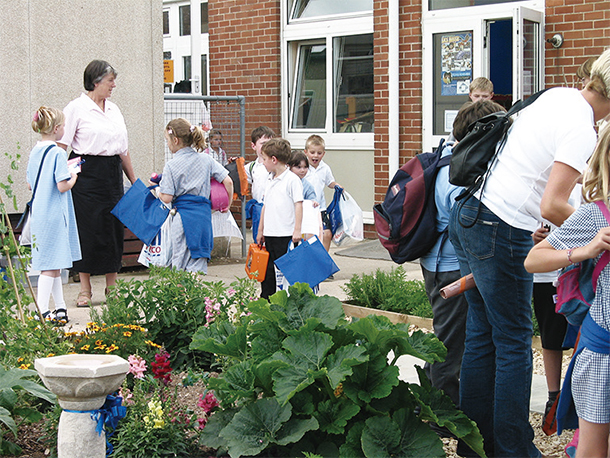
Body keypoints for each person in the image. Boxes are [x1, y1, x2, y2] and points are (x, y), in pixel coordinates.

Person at [449, 49, 610, 458]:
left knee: (482, 334)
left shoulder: (557, 95)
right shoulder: (582, 129)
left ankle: (473, 445)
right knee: (515, 339)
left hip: (470, 212)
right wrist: (598, 224)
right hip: (500, 228)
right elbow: (553, 206)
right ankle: (513, 448)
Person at [524, 124, 610, 458]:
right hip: (603, 354)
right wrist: (586, 250)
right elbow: (535, 259)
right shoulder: (596, 215)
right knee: (593, 449)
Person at [420, 100, 506, 414]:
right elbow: (466, 222)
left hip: (436, 261)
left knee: (450, 335)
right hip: (451, 267)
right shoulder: (458, 170)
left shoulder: (445, 157)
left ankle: (436, 401)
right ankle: (440, 414)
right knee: (449, 344)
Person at [58, 60, 137, 307]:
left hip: (112, 173)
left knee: (113, 229)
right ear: (95, 82)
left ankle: (112, 288)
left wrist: (134, 181)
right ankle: (85, 289)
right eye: (110, 80)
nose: (114, 85)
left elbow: (123, 149)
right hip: (86, 176)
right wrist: (59, 177)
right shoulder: (76, 108)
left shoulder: (114, 109)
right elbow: (62, 147)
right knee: (88, 229)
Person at [158, 118, 233, 274]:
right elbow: (228, 181)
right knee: (198, 260)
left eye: (167, 140)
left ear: (175, 140)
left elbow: (166, 198)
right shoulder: (206, 159)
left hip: (182, 217)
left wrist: (157, 190)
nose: (167, 143)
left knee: (179, 260)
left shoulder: (171, 165)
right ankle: (194, 294)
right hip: (203, 217)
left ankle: (180, 295)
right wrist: (228, 204)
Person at [28, 107, 80, 323]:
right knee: (50, 267)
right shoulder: (58, 152)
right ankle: (42, 310)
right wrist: (74, 175)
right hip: (55, 215)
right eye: (64, 126)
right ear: (57, 128)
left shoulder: (35, 151)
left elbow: (31, 184)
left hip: (39, 213)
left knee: (54, 263)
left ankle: (60, 308)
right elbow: (62, 185)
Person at [256, 138, 303, 299]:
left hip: (286, 234)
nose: (262, 163)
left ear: (274, 160)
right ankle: (267, 299)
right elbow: (265, 206)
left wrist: (297, 229)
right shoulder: (269, 180)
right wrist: (260, 229)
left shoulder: (292, 180)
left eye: (264, 159)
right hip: (270, 233)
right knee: (268, 271)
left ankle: (290, 300)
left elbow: (298, 205)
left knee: (288, 271)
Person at [303, 134, 341, 252]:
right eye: (312, 152)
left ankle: (323, 259)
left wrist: (336, 186)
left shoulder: (324, 168)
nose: (315, 156)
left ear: (323, 154)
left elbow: (330, 182)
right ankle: (310, 259)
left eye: (319, 153)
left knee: (327, 234)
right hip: (306, 208)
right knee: (309, 236)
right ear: (306, 152)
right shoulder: (303, 167)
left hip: (320, 208)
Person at [245, 126, 275, 242]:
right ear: (253, 146)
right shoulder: (251, 167)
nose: (267, 147)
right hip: (259, 213)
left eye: (270, 143)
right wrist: (233, 165)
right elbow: (235, 178)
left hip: (276, 211)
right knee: (259, 244)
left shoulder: (279, 164)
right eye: (263, 143)